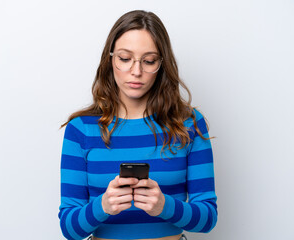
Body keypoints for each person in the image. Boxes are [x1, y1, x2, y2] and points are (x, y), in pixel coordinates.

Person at [58, 10, 217, 240]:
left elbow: (208, 217)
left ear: (162, 65)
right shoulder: (81, 129)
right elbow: (69, 229)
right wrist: (102, 206)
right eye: (124, 59)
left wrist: (165, 206)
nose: (136, 71)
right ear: (110, 59)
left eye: (149, 61)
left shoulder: (190, 124)